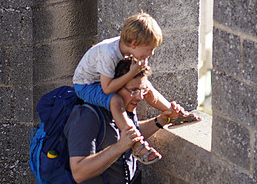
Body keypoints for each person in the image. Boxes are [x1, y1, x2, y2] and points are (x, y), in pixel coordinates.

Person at [72, 12, 197, 164]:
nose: (151, 53)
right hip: (86, 85)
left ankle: (172, 113)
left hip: (102, 80)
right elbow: (107, 89)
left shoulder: (127, 49)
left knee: (145, 86)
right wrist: (132, 72)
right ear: (134, 44)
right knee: (115, 100)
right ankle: (135, 142)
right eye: (149, 49)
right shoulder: (109, 53)